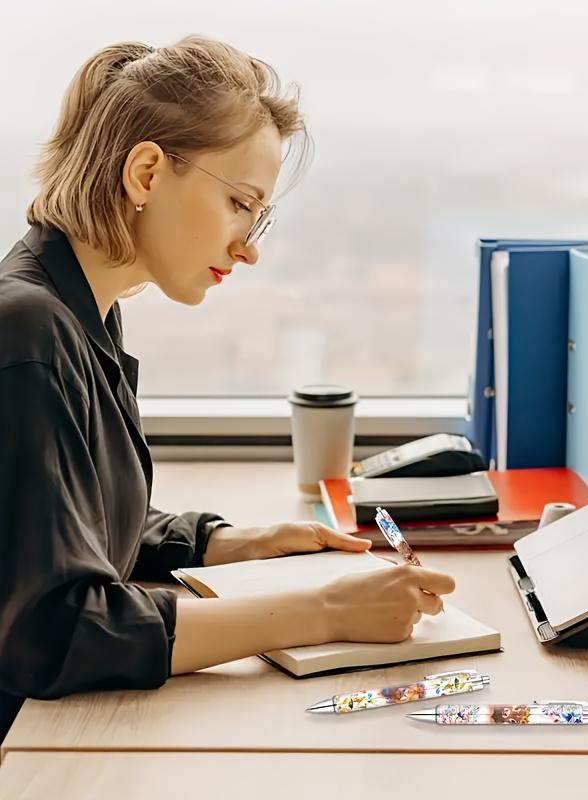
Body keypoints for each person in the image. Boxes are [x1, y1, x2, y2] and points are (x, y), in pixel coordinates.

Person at [0, 35, 456, 740]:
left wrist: (224, 543)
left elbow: (59, 523)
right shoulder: (29, 333)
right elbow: (53, 631)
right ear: (146, 173)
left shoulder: (79, 311)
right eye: (240, 203)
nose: (249, 247)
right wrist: (326, 612)